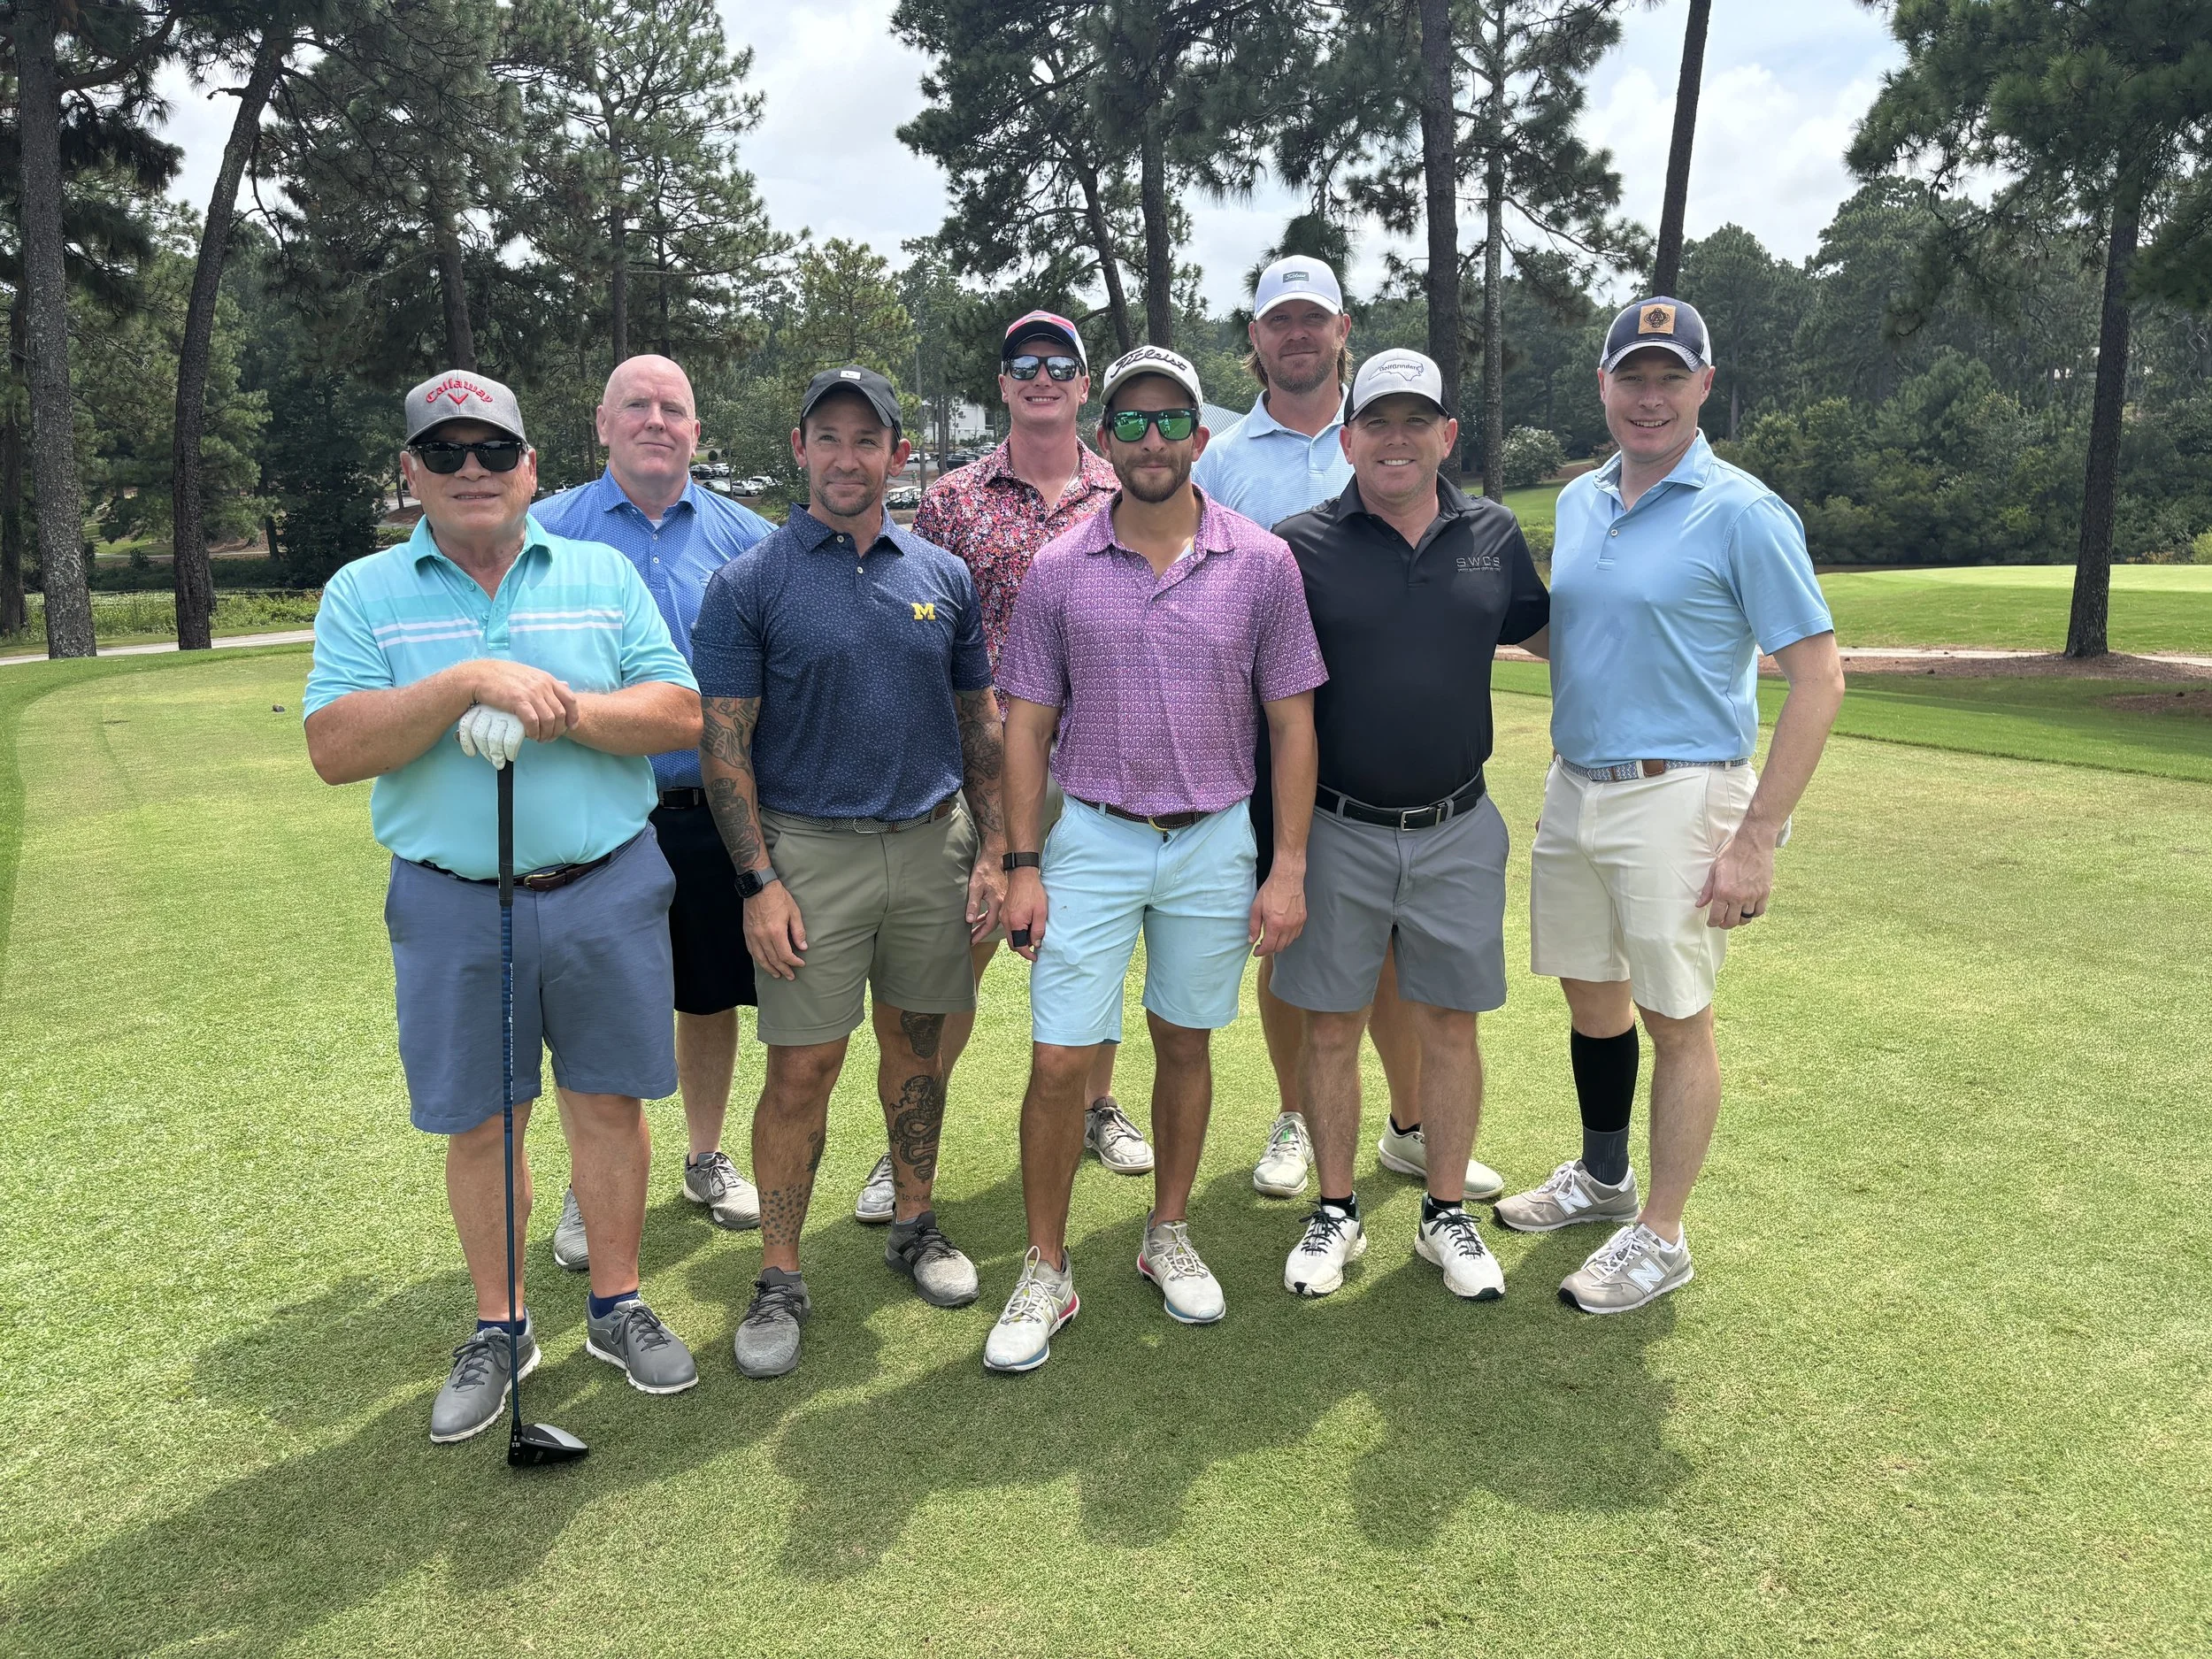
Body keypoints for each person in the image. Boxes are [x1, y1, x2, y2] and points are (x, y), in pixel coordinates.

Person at [303, 370, 705, 1444]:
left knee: (609, 1103)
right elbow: (336, 748)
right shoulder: (364, 592)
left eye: (493, 453)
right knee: (483, 1120)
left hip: (605, 883)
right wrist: (467, 683)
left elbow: (678, 709)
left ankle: (616, 1303)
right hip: (450, 899)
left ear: (531, 467)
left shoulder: (599, 571)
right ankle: (502, 1322)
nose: (472, 472)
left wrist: (560, 708)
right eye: (446, 454)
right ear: (412, 475)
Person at [1495, 296, 1845, 1313]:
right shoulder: (1579, 499)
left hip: (1681, 792)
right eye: (1631, 377)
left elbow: (1818, 678)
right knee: (1590, 995)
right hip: (1577, 785)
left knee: (1674, 1018)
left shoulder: (1740, 511)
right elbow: (1577, 638)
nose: (1649, 398)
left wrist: (1757, 839)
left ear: (1703, 386)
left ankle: (1663, 1234)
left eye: (1670, 377)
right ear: (1602, 385)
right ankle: (1605, 1179)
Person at [983, 345, 1325, 1373]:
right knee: (1057, 1063)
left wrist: (1289, 865)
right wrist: (1022, 861)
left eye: (1170, 420)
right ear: (1104, 440)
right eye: (1128, 422)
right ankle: (1045, 1264)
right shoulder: (1057, 570)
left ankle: (1164, 1231)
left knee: (1185, 1044)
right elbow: (1026, 728)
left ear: (1200, 438)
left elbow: (1293, 726)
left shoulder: (1262, 562)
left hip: (1215, 840)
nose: (1150, 439)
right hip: (1089, 838)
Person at [692, 365, 1006, 1379]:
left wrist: (997, 847)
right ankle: (779, 1272)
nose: (845, 457)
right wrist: (757, 882)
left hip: (930, 844)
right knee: (802, 1070)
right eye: (826, 437)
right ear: (799, 449)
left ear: (897, 457)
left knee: (918, 1053)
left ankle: (915, 1221)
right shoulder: (751, 582)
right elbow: (723, 747)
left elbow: (978, 727)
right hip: (808, 854)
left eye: (866, 440)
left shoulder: (941, 577)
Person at [824, 309, 1150, 1225]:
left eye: (1059, 364)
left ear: (1084, 384)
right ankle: (907, 1150)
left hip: (1097, 768)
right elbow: (915, 634)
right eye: (1022, 365)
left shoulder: (1123, 486)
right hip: (980, 770)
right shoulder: (954, 499)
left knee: (1090, 952)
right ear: (1002, 385)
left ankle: (1096, 1106)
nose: (1041, 376)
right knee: (944, 973)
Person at [1194, 257, 1502, 1209]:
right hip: (1275, 751)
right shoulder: (1222, 459)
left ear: (1342, 329)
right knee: (1295, 944)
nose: (1294, 334)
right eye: (1276, 320)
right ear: (1254, 339)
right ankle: (1297, 1114)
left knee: (1401, 959)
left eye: (1311, 318)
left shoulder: (1384, 431)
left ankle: (1411, 1127)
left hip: (1406, 771)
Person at [534, 353, 772, 1267]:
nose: (655, 420)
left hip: (709, 803)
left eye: (673, 407)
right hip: (598, 804)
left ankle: (704, 1157)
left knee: (707, 995)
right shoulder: (546, 528)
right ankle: (586, 1181)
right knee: (596, 1002)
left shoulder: (746, 536)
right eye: (635, 405)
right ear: (602, 425)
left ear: (696, 432)